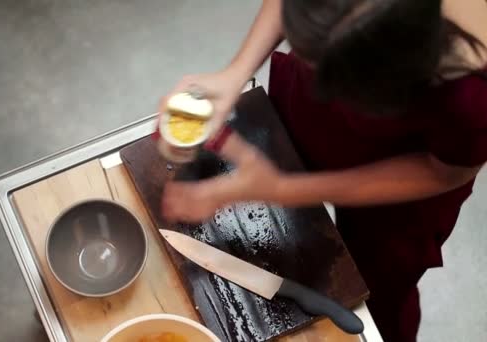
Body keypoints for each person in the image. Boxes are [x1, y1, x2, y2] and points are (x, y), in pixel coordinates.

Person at [159, 0, 487, 341]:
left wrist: (285, 188)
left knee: (376, 287)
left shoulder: (468, 99)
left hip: (399, 184)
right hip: (318, 115)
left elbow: (445, 172)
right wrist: (235, 72)